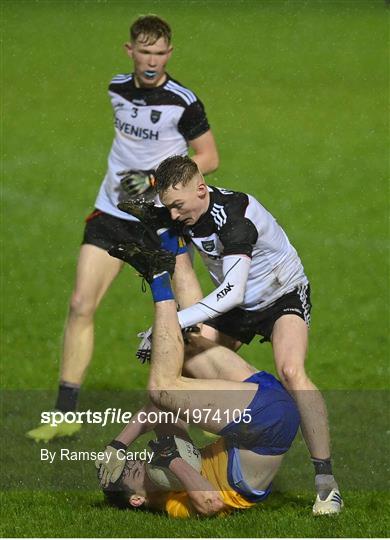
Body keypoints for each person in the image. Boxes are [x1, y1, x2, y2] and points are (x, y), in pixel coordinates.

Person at [26, 16, 219, 443]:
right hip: (110, 214)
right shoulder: (116, 88)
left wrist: (154, 182)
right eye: (144, 52)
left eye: (160, 53)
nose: (152, 61)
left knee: (193, 319)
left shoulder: (183, 101)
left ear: (170, 53)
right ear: (129, 50)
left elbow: (208, 156)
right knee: (80, 304)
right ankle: (64, 413)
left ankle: (214, 402)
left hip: (156, 220)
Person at [116, 155, 343, 515]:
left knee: (291, 372)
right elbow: (134, 203)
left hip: (279, 294)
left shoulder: (235, 219)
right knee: (182, 362)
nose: (174, 215)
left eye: (178, 206)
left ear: (202, 190)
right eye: (168, 207)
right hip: (234, 306)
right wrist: (143, 188)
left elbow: (234, 292)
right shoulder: (181, 207)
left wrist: (170, 324)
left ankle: (326, 484)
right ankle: (189, 454)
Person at [96, 244, 300, 517]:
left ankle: (170, 241)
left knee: (188, 344)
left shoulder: (166, 469)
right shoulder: (172, 504)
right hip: (267, 424)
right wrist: (173, 460)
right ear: (136, 500)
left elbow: (160, 411)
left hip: (262, 405)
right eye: (132, 471)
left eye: (134, 461)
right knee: (162, 388)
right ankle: (158, 279)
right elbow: (211, 505)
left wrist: (118, 445)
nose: (138, 463)